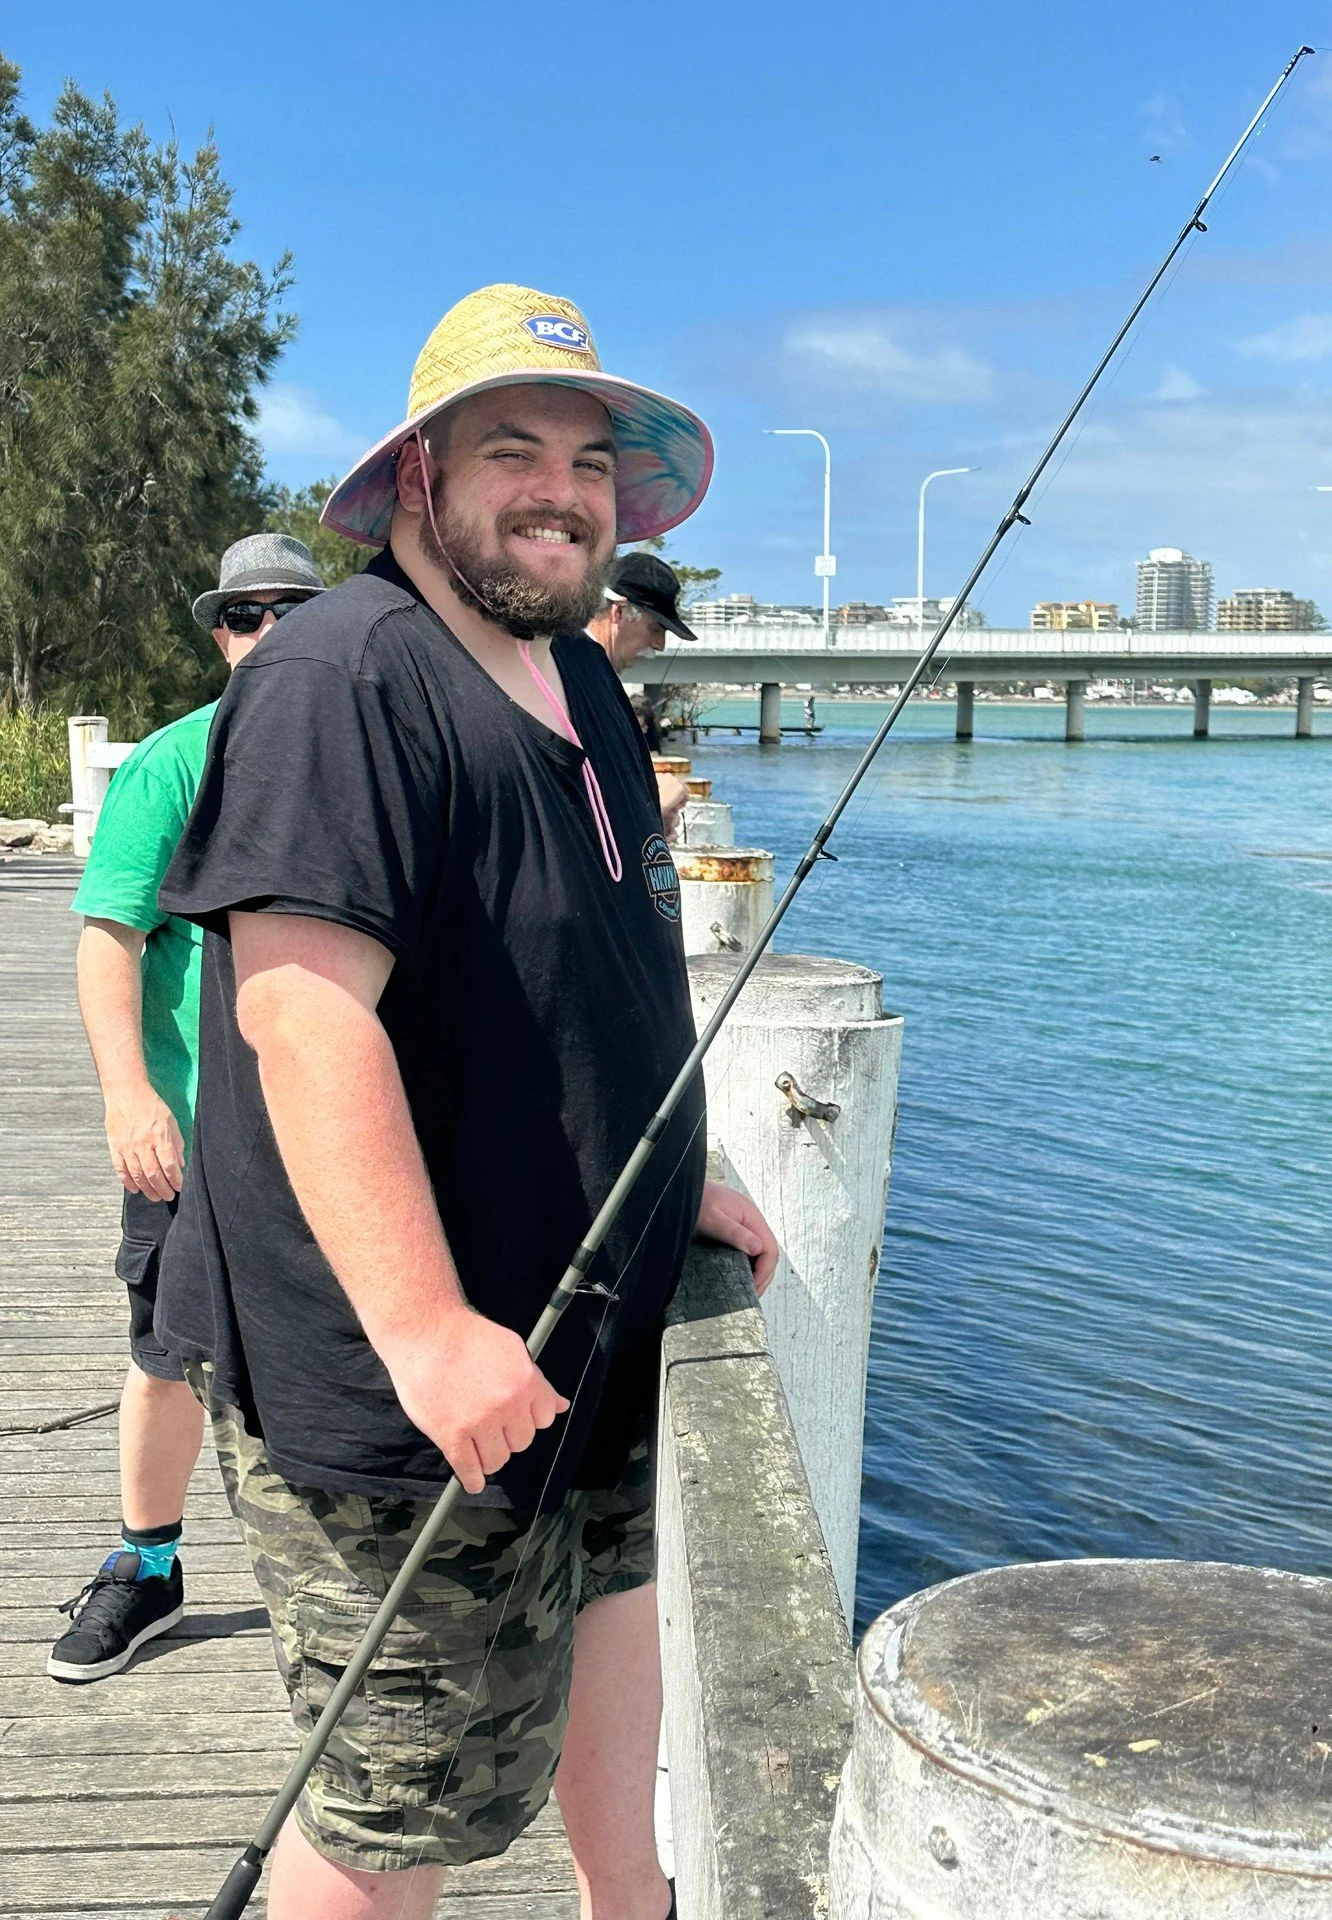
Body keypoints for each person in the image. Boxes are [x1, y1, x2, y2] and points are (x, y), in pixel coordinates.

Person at [153, 284, 777, 1920]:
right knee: (396, 1804)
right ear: (420, 474)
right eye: (513, 449)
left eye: (589, 460)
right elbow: (303, 1016)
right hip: (411, 1395)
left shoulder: (578, 688)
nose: (561, 490)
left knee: (604, 1628)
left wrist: (677, 1179)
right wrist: (428, 1330)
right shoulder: (343, 682)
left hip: (582, 1327)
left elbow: (597, 970)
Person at [49, 534, 326, 1683]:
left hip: (335, 1132)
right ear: (219, 635)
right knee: (165, 1351)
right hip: (197, 1131)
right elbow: (108, 938)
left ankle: (343, 1571)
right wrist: (130, 1098)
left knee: (336, 1353)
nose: (266, 635)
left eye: (292, 614)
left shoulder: (370, 757)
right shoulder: (172, 765)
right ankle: (148, 1565)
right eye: (244, 616)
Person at [588, 552, 699, 836]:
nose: (660, 645)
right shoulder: (577, 675)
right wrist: (649, 813)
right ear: (619, 612)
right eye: (655, 628)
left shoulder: (592, 673)